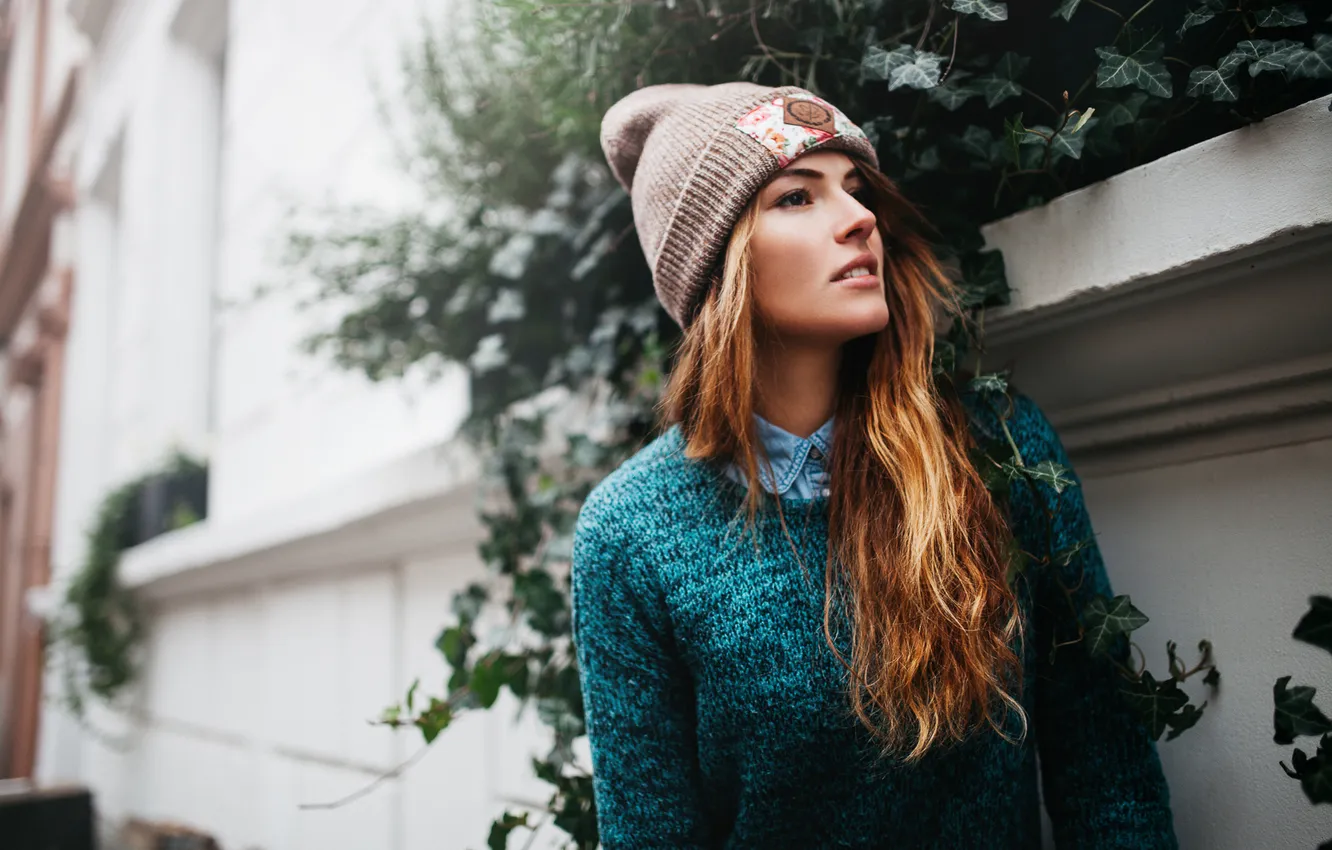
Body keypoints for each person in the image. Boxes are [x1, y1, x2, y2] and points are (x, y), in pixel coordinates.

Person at [570, 81, 1177, 848]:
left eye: (857, 190)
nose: (859, 219)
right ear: (715, 265)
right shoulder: (632, 533)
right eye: (796, 197)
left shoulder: (998, 448)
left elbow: (1108, 773)